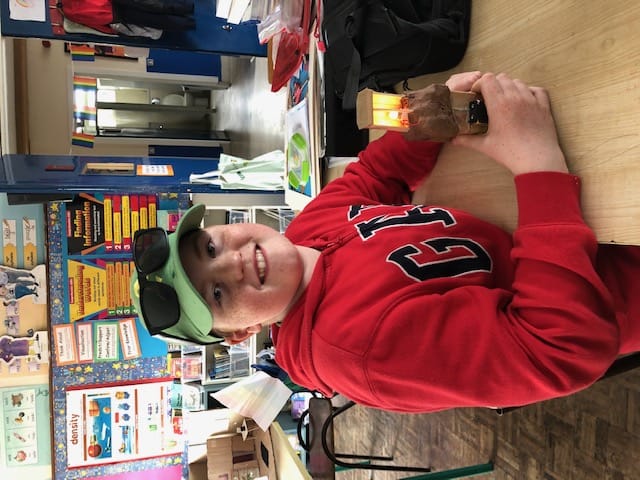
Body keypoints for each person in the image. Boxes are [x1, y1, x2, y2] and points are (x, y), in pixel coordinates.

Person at [130, 71, 640, 413]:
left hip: (590, 221)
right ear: (244, 333)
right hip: (621, 285)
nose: (235, 262)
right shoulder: (358, 354)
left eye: (211, 248)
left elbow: (377, 174)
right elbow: (558, 350)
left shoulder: (309, 231)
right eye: (218, 294)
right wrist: (536, 164)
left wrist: (428, 120)